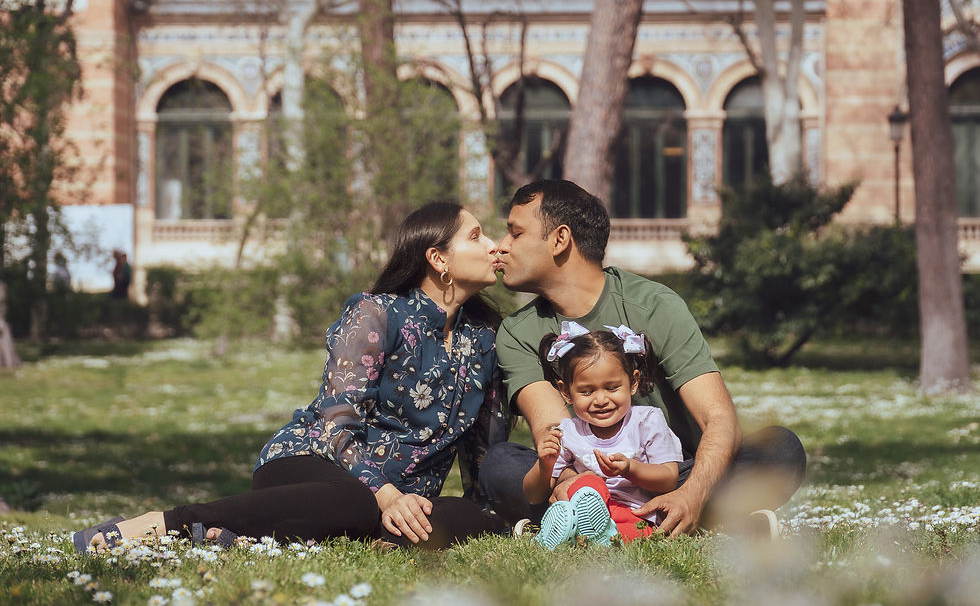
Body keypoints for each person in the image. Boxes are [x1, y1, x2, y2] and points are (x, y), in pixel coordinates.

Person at [74, 202, 509, 553]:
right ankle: (168, 523)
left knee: (460, 518)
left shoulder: (485, 338)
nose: (493, 246)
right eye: (476, 236)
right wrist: (386, 494)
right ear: (438, 259)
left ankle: (246, 536)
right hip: (316, 465)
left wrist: (487, 514)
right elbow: (336, 424)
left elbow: (482, 451)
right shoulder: (377, 315)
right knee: (352, 503)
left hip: (405, 503)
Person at [480, 179, 806, 538]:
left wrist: (692, 494)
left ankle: (634, 521)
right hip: (586, 482)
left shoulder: (655, 305)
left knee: (781, 450)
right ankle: (611, 519)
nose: (501, 247)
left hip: (673, 475)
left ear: (560, 239)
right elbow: (553, 434)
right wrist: (574, 486)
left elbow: (718, 416)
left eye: (515, 233)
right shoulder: (517, 333)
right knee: (500, 466)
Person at [522, 322, 683, 548]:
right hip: (587, 506)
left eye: (612, 388)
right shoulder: (568, 431)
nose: (600, 400)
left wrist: (630, 469)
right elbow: (533, 495)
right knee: (588, 483)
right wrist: (544, 465)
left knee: (633, 533)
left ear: (633, 382)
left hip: (635, 514)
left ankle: (580, 536)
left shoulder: (647, 421)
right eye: (586, 391)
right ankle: (581, 529)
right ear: (566, 392)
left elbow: (669, 478)